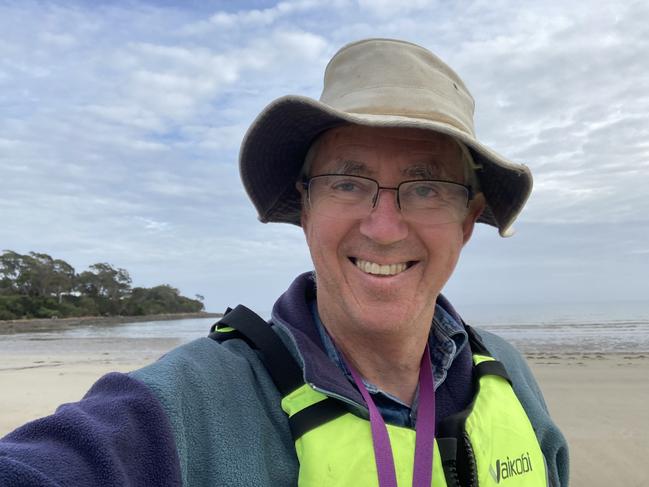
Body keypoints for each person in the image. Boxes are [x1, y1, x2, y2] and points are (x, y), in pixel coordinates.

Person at [0, 38, 568, 486]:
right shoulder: (193, 403)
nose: (385, 227)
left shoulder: (509, 374)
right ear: (306, 207)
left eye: (426, 188)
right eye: (348, 183)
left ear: (468, 221)